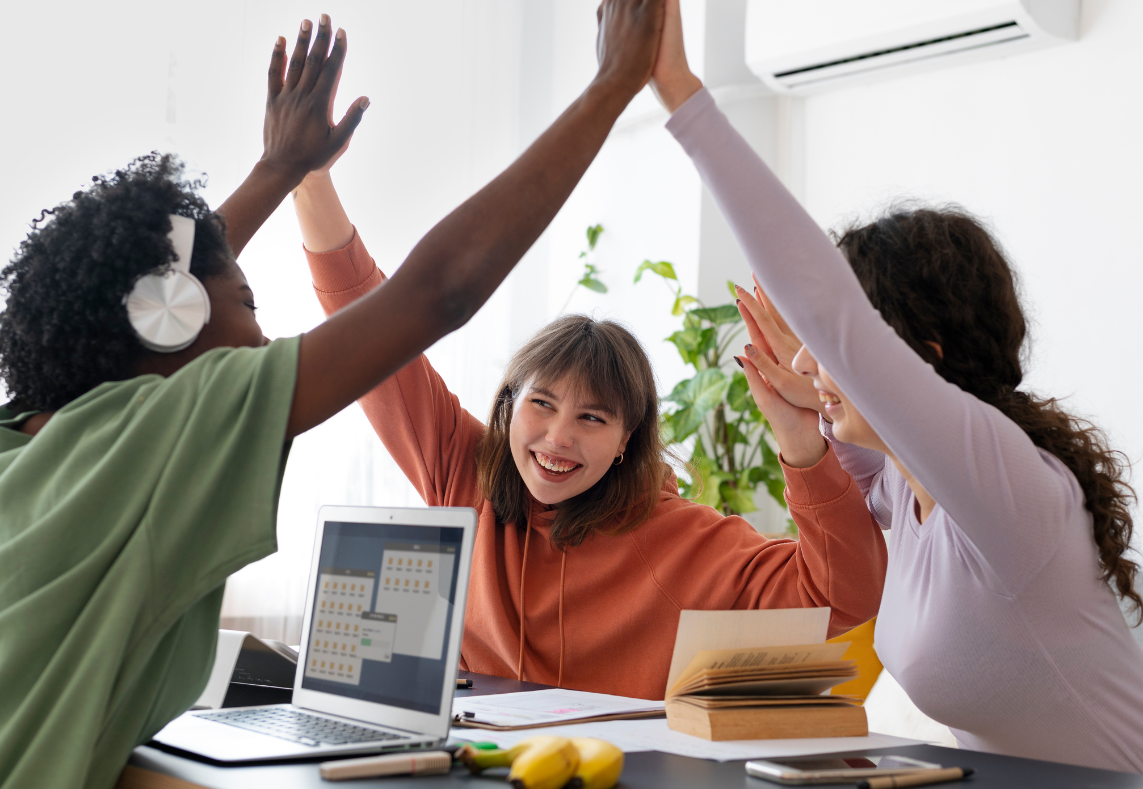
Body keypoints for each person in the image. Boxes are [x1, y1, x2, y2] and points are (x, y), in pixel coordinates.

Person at [0, 5, 669, 789]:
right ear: (171, 317)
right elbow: (440, 291)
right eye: (248, 304)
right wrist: (610, 87)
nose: (262, 339)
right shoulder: (162, 428)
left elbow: (157, 292)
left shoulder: (10, 441)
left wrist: (278, 169)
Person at [648, 0, 1143, 773]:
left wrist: (681, 93)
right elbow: (838, 452)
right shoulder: (906, 492)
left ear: (922, 359)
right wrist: (805, 409)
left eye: (840, 351)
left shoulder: (1003, 482)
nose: (815, 362)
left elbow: (829, 309)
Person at [293, 129, 887, 700]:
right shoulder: (464, 475)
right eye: (542, 405)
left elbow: (843, 599)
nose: (557, 438)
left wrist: (799, 437)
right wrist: (309, 180)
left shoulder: (678, 540)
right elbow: (374, 337)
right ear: (509, 405)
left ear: (627, 439)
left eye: (593, 419)